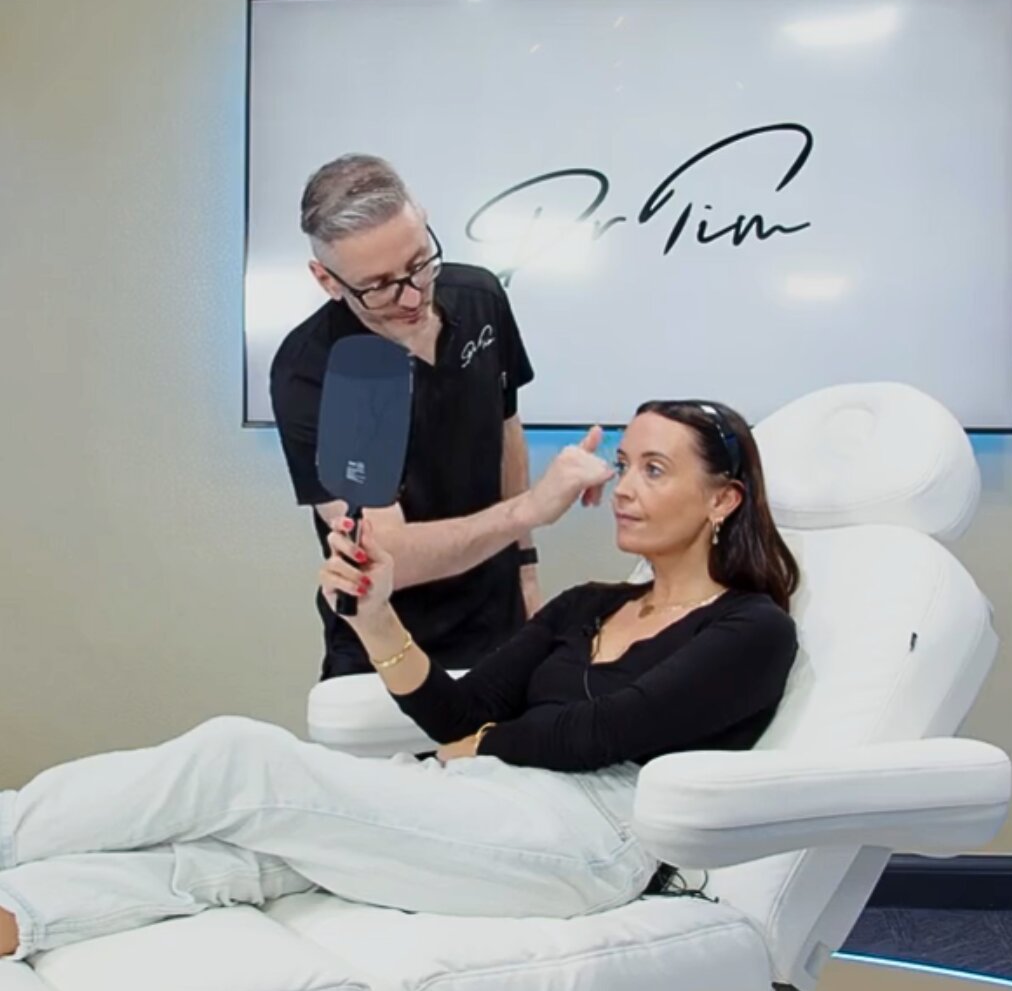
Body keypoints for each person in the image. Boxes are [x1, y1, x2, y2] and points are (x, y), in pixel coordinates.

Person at [0, 400, 799, 961]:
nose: (622, 487)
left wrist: (484, 745)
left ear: (723, 499)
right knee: (240, 854)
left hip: (586, 841)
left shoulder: (752, 629)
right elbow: (459, 713)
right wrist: (376, 615)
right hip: (484, 795)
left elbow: (604, 733)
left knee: (239, 756)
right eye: (624, 465)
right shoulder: (590, 604)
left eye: (654, 470)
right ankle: (21, 917)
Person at [271, 153, 543, 681]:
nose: (413, 295)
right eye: (378, 286)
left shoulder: (481, 298)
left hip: (499, 630)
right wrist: (531, 511)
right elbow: (391, 556)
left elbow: (506, 431)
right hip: (383, 648)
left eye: (419, 263)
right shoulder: (313, 372)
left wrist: (526, 571)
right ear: (327, 280)